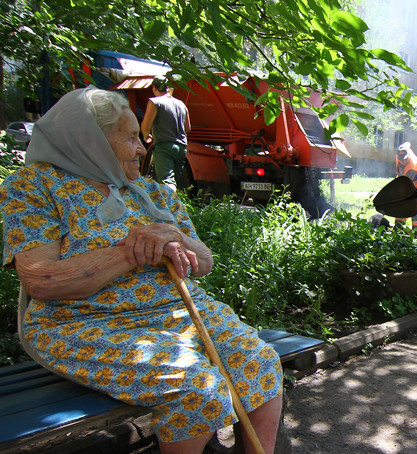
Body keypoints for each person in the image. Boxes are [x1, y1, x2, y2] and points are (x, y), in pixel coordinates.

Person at [0, 87, 283, 454]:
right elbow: (42, 280)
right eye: (131, 137)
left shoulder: (151, 192)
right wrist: (130, 252)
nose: (141, 148)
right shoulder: (34, 187)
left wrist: (173, 233)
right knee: (196, 385)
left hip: (181, 312)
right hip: (83, 323)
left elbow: (205, 263)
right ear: (91, 142)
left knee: (260, 361)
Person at [141, 76, 191, 191]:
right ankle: (178, 206)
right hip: (181, 148)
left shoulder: (155, 102)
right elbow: (187, 128)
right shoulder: (181, 104)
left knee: (167, 181)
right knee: (177, 182)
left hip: (164, 147)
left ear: (154, 87)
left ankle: (169, 206)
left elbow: (145, 127)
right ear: (168, 88)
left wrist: (146, 135)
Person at [394, 141, 417, 233]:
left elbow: (407, 184)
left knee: (414, 205)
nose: (403, 162)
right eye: (401, 160)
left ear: (408, 155)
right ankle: (398, 227)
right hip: (406, 182)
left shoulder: (413, 168)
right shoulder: (399, 157)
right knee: (402, 204)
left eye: (405, 159)